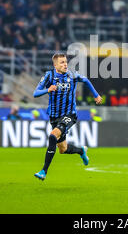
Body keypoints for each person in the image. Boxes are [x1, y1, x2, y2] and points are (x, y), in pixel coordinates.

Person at [33, 53, 102, 182]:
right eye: (62, 62)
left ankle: (44, 171)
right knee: (63, 149)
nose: (65, 64)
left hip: (69, 114)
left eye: (65, 62)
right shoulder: (49, 76)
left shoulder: (72, 75)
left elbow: (86, 80)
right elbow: (35, 93)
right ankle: (81, 151)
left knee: (53, 135)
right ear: (55, 65)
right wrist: (47, 90)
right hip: (54, 116)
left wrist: (96, 95)